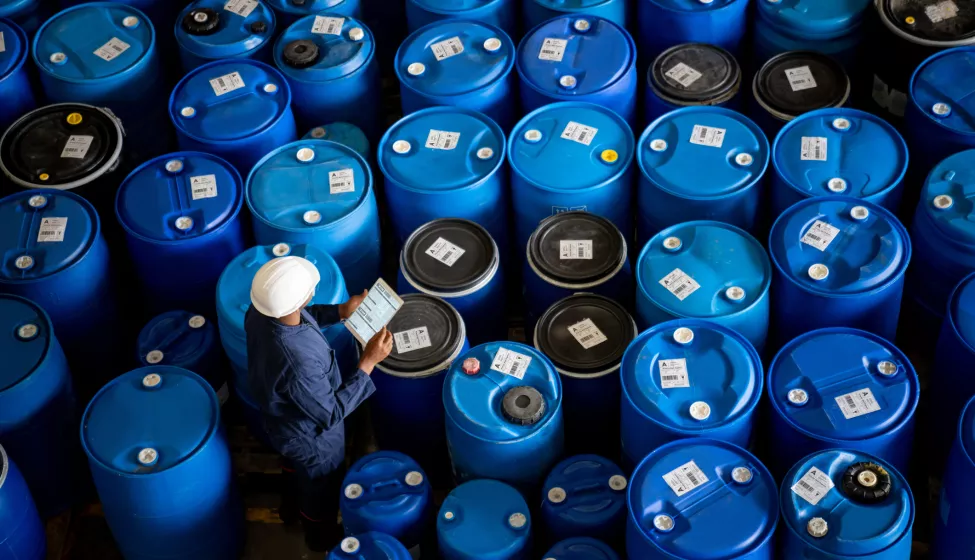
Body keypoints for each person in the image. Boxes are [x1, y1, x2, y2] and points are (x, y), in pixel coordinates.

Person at [245, 256, 393, 551]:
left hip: (282, 420)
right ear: (301, 297)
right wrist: (368, 363)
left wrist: (341, 311)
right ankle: (319, 537)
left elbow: (302, 314)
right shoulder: (297, 364)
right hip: (312, 438)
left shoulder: (260, 312)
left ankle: (289, 506)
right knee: (321, 488)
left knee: (294, 466)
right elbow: (331, 413)